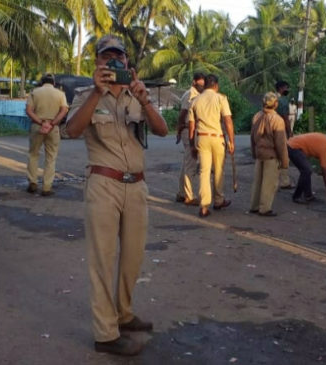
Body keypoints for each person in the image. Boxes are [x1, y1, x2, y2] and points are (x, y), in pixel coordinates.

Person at [65, 35, 169, 356]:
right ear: (96, 63)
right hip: (103, 184)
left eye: (118, 59)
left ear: (127, 63)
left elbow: (163, 130)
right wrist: (97, 92)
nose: (112, 64)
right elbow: (72, 130)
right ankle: (105, 333)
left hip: (136, 186)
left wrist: (144, 98)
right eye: (106, 58)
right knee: (103, 260)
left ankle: (123, 314)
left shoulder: (137, 97)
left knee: (133, 257)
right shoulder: (86, 95)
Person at [188, 74, 235, 218]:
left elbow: (191, 126)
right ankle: (218, 200)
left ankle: (204, 206)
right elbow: (227, 121)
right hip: (217, 138)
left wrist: (192, 145)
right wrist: (232, 141)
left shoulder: (195, 100)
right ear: (216, 85)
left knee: (204, 172)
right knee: (219, 170)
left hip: (202, 138)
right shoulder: (221, 98)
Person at [25, 73, 69, 196]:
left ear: (42, 82)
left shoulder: (35, 92)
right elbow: (64, 110)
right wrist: (52, 123)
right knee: (51, 157)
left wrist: (41, 122)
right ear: (53, 83)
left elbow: (28, 110)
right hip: (53, 128)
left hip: (37, 126)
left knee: (33, 154)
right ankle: (46, 187)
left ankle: (32, 182)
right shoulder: (60, 94)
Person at [249, 92, 289, 217]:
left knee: (258, 182)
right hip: (271, 155)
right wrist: (284, 161)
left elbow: (252, 137)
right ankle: (265, 208)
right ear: (275, 104)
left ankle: (254, 206)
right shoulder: (277, 120)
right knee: (269, 183)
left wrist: (254, 152)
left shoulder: (257, 116)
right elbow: (281, 143)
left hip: (259, 152)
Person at [287, 133, 326, 206]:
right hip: (293, 147)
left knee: (307, 170)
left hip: (294, 145)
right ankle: (297, 196)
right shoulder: (325, 148)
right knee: (306, 171)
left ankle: (308, 195)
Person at [175, 73, 205, 205]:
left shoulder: (198, 95)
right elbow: (183, 114)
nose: (202, 86)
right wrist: (179, 128)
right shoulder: (190, 94)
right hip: (189, 129)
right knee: (191, 163)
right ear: (194, 82)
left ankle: (182, 193)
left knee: (186, 163)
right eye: (200, 83)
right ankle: (189, 196)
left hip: (190, 129)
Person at [275, 80, 294, 189]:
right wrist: (289, 132)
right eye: (286, 88)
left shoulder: (271, 98)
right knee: (283, 156)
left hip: (270, 131)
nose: (287, 90)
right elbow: (285, 118)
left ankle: (273, 180)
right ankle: (284, 181)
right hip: (280, 130)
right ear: (281, 88)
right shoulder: (282, 100)